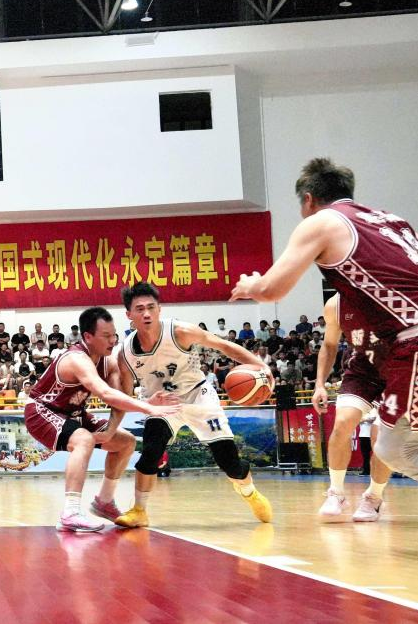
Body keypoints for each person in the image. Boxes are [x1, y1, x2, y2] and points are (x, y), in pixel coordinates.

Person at [231, 158, 418, 481]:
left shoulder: (322, 222)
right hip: (404, 343)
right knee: (394, 444)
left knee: (395, 449)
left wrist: (251, 285)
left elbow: (271, 290)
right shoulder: (391, 220)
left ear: (308, 200)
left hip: (412, 339)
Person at [113, 283, 274, 529]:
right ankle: (139, 510)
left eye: (151, 307)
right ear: (129, 315)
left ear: (159, 309)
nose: (146, 313)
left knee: (230, 463)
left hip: (199, 396)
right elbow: (125, 396)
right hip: (163, 404)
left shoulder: (181, 331)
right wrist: (146, 404)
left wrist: (262, 367)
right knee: (150, 453)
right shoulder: (125, 353)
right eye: (139, 309)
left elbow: (225, 346)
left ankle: (248, 491)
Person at [23, 307, 181, 532]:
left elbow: (118, 399)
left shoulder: (109, 362)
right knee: (84, 440)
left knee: (125, 442)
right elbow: (105, 394)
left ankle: (104, 502)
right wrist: (148, 408)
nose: (112, 340)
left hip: (74, 415)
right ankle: (70, 512)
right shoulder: (76, 359)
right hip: (41, 412)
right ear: (88, 337)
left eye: (114, 335)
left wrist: (111, 430)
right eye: (106, 336)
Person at [312, 294, 391, 522]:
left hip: (398, 372)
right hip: (361, 371)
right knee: (342, 424)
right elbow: (329, 345)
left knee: (381, 436)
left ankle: (374, 497)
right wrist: (319, 384)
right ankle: (336, 493)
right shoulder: (336, 304)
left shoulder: (399, 292)